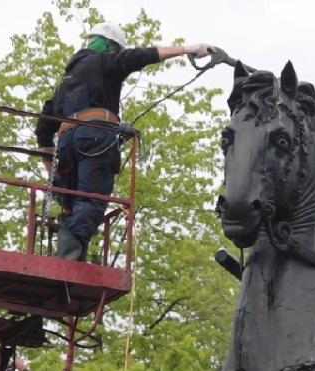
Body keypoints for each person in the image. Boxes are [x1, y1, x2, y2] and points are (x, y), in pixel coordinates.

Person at [34, 22, 217, 261]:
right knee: (91, 201)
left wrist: (53, 175)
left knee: (73, 205)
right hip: (95, 136)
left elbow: (42, 131)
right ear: (110, 46)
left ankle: (70, 261)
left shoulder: (65, 82)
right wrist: (189, 49)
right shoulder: (104, 61)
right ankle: (66, 263)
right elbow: (144, 55)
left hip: (67, 143)